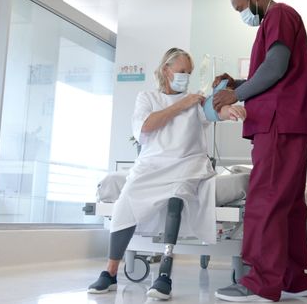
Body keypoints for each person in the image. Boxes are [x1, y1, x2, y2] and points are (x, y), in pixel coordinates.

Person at [87, 47, 246, 300]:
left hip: (187, 165)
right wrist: (180, 104)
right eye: (182, 71)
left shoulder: (196, 101)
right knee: (126, 201)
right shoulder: (147, 98)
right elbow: (146, 126)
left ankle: (164, 272)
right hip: (151, 166)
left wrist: (232, 111)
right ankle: (110, 272)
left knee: (177, 197)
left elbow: (215, 112)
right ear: (166, 70)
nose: (186, 76)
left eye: (189, 72)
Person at [212, 0, 307, 303]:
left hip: (278, 124)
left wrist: (236, 94)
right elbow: (271, 74)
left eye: (241, 8)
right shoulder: (273, 24)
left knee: (266, 201)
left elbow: (274, 69)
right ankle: (292, 279)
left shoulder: (279, 16)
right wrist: (236, 81)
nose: (244, 15)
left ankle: (259, 282)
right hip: (288, 124)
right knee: (288, 206)